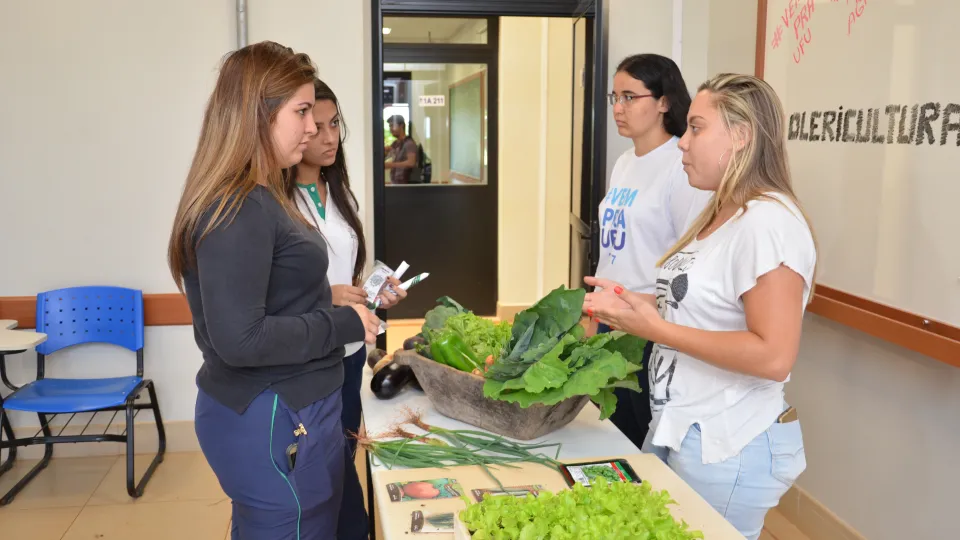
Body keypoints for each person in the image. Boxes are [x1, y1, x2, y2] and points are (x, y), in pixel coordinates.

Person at [583, 73, 817, 540]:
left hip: (728, 442)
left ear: (742, 136)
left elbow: (774, 357)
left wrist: (656, 330)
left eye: (696, 128)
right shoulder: (720, 213)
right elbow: (696, 302)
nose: (683, 143)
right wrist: (630, 304)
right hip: (681, 425)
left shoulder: (769, 222)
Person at [167, 41, 381, 540]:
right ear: (255, 115)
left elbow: (272, 295)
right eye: (302, 111)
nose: (312, 128)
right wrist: (344, 323)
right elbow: (241, 339)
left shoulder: (263, 195)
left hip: (295, 407)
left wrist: (330, 300)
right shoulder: (239, 206)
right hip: (273, 416)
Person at [289, 77, 407, 540]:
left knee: (342, 458)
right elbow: (283, 291)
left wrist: (373, 291)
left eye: (334, 123)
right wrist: (328, 297)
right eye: (315, 125)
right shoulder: (278, 203)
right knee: (322, 471)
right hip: (308, 355)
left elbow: (345, 277)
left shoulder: (340, 193)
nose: (328, 135)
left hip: (349, 348)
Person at [594, 54, 711, 451]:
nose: (617, 108)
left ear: (663, 101)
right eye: (615, 96)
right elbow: (615, 249)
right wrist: (595, 310)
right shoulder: (625, 162)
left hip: (649, 322)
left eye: (630, 97)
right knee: (612, 427)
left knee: (643, 434)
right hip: (612, 315)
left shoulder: (681, 167)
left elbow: (690, 257)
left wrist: (646, 311)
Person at [384, 115, 418, 184]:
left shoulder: (409, 143)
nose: (390, 129)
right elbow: (387, 157)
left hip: (405, 186)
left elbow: (411, 163)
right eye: (390, 126)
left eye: (392, 125)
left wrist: (391, 165)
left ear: (401, 126)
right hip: (396, 184)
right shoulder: (395, 144)